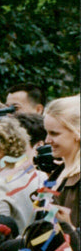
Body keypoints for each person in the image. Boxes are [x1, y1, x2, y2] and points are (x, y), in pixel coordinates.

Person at [43, 95, 80, 228]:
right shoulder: (59, 172)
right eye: (46, 133)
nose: (47, 140)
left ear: (77, 132)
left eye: (54, 133)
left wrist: (69, 228)